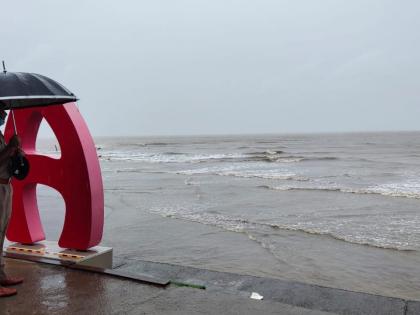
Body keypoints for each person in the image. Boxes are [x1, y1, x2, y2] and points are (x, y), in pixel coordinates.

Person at [0, 109, 24, 297]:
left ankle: (1, 275)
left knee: (2, 232)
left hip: (6, 186)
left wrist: (16, 152)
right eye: (1, 111)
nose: (5, 115)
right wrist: (10, 147)